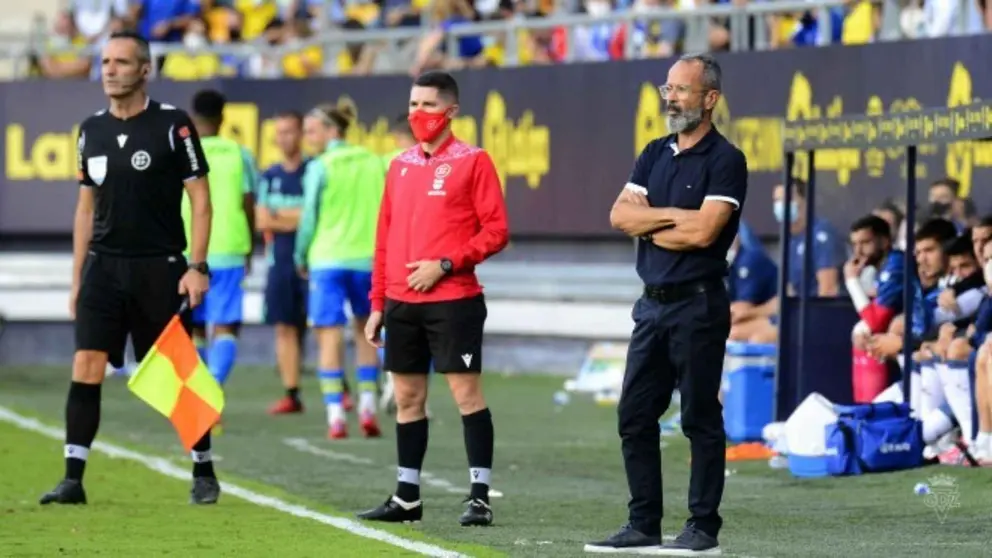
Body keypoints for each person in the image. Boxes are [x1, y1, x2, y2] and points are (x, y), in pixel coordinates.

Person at [41, 30, 215, 505]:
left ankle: (203, 468)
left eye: (121, 62)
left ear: (145, 70)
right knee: (86, 365)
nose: (110, 70)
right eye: (104, 62)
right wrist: (78, 278)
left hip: (160, 268)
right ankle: (73, 478)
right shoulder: (90, 130)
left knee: (177, 374)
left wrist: (197, 266)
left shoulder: (173, 125)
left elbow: (200, 200)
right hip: (104, 268)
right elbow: (84, 208)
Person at [586, 54, 746, 555]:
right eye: (667, 88)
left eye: (681, 89)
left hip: (698, 306)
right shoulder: (654, 152)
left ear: (710, 99)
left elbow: (704, 232)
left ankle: (702, 528)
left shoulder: (726, 159)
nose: (670, 98)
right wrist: (676, 220)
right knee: (634, 415)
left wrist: (653, 221)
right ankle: (644, 524)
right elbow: (618, 216)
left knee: (700, 417)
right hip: (651, 306)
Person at [356, 70, 509, 527]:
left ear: (451, 111)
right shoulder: (398, 165)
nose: (417, 113)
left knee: (466, 395)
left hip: (453, 300)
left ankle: (479, 496)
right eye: (413, 104)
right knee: (406, 398)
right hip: (401, 304)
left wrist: (444, 264)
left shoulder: (474, 160)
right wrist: (378, 302)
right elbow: (384, 237)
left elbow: (497, 230)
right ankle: (407, 497)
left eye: (427, 105)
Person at [296, 102, 386, 439]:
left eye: (312, 131)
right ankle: (366, 405)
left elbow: (308, 219)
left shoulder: (321, 166)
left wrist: (299, 256)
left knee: (328, 336)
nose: (308, 139)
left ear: (332, 131)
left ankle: (335, 413)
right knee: (368, 331)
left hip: (327, 260)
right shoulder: (374, 163)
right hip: (367, 261)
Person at [183, 89, 257, 399]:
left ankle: (202, 395)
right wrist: (251, 244)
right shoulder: (239, 154)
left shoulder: (181, 152)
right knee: (226, 326)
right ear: (223, 117)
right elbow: (249, 202)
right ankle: (212, 390)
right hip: (229, 247)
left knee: (196, 327)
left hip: (190, 249)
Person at [258, 110, 310, 415]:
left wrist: (281, 217)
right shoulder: (269, 176)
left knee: (321, 327)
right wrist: (296, 218)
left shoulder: (313, 171)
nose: (284, 138)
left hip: (310, 261)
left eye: (289, 131)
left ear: (301, 134)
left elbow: (315, 217)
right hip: (279, 262)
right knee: (284, 327)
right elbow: (261, 218)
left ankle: (340, 387)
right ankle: (292, 393)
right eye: (279, 133)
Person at [844, 215, 904, 402]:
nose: (859, 251)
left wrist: (852, 281)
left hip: (915, 334)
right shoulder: (883, 266)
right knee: (861, 330)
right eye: (855, 244)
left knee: (867, 331)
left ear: (884, 241)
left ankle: (872, 413)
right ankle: (864, 411)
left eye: (865, 243)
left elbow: (876, 322)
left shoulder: (896, 265)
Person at [726, 234, 778, 343]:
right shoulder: (728, 266)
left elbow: (740, 311)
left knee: (732, 333)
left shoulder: (750, 259)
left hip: (776, 315)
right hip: (758, 315)